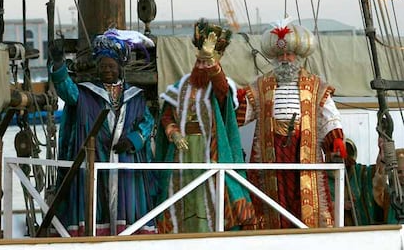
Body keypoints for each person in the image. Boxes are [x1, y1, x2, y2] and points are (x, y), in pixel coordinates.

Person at [236, 19, 347, 229]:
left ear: (298, 57)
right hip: (272, 151)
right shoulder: (261, 85)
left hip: (303, 149)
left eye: (288, 55)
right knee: (272, 197)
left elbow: (328, 114)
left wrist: (336, 138)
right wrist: (234, 100)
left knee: (304, 195)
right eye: (280, 56)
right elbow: (242, 114)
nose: (285, 59)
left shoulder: (315, 85)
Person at [49, 29, 158, 236]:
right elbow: (65, 90)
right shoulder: (84, 93)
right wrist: (58, 64)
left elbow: (147, 122)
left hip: (127, 166)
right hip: (94, 161)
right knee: (94, 204)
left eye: (110, 66)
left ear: (119, 67)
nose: (106, 70)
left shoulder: (136, 96)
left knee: (129, 212)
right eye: (102, 66)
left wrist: (134, 140)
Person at [154, 18, 255, 233]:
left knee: (210, 190)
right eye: (199, 61)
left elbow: (223, 91)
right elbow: (166, 116)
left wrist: (213, 65)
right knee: (180, 192)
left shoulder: (219, 86)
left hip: (210, 150)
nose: (201, 66)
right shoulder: (180, 86)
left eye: (206, 62)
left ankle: (211, 231)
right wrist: (173, 132)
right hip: (182, 151)